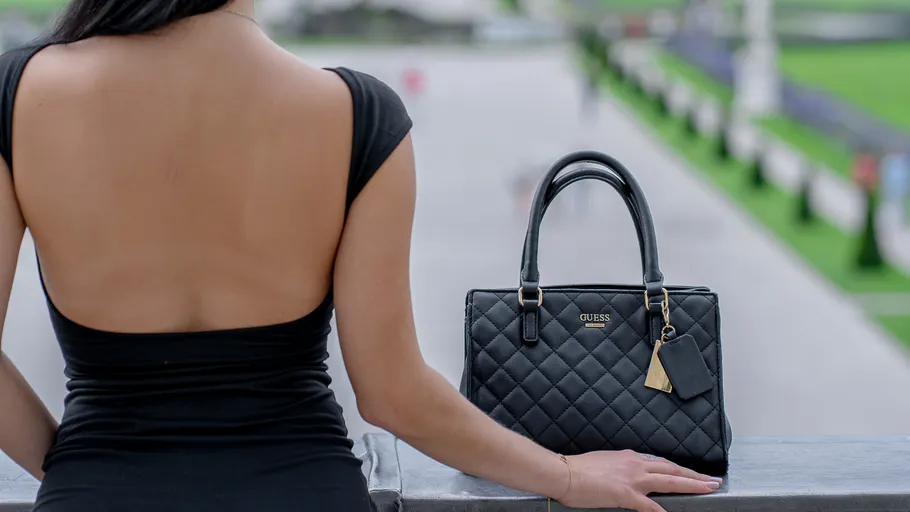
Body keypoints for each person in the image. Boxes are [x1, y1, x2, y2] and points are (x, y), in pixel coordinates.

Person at [0, 1, 723, 511]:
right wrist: (563, 475)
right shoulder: (356, 114)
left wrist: (80, 469)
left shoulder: (19, 93)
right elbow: (392, 392)